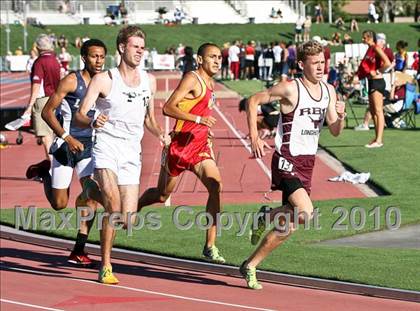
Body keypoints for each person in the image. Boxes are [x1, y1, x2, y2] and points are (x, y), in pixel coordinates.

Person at [240, 40, 346, 290]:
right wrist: (254, 136)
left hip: (308, 162)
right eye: (315, 63)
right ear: (301, 64)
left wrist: (340, 115)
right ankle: (256, 252)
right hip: (287, 157)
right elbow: (253, 100)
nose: (321, 67)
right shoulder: (290, 89)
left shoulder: (329, 91)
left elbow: (335, 131)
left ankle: (251, 262)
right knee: (305, 213)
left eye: (323, 62)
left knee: (291, 223)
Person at [75, 26, 167, 284]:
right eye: (135, 46)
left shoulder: (150, 81)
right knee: (113, 209)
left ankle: (90, 191)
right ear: (122, 48)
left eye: (142, 47)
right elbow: (80, 114)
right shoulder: (105, 79)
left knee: (127, 219)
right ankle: (105, 266)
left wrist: (160, 134)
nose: (140, 51)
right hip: (106, 145)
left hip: (131, 150)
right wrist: (93, 120)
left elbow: (149, 118)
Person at [137, 43, 226, 265]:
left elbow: (199, 110)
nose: (217, 61)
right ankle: (135, 207)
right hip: (179, 146)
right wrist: (198, 121)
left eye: (219, 57)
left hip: (200, 146)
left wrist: (205, 128)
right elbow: (168, 107)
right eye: (212, 57)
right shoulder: (192, 78)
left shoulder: (211, 82)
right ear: (199, 59)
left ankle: (210, 245)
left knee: (215, 186)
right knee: (161, 195)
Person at [40, 39, 107, 266]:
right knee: (59, 204)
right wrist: (67, 137)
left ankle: (79, 249)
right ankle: (44, 175)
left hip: (90, 146)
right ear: (84, 58)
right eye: (94, 56)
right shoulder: (71, 80)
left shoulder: (105, 82)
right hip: (65, 145)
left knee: (92, 196)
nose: (98, 61)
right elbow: (47, 112)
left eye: (101, 56)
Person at [23, 34, 61, 179]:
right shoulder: (55, 61)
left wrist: (29, 106)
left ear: (38, 47)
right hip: (55, 99)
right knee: (54, 134)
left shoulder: (39, 62)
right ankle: (56, 166)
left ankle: (52, 169)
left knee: (46, 137)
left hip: (42, 100)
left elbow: (37, 85)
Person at [357, 30, 391, 147]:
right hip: (371, 82)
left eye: (364, 37)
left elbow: (387, 62)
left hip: (377, 81)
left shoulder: (376, 47)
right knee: (373, 111)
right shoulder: (369, 49)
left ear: (369, 37)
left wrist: (377, 71)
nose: (362, 39)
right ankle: (376, 138)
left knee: (378, 111)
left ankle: (379, 140)